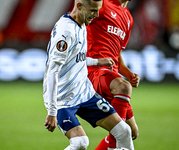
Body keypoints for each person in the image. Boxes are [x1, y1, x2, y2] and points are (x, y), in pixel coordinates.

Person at [43, 0, 135, 149]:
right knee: (80, 143)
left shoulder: (82, 24)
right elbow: (53, 71)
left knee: (124, 131)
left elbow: (75, 58)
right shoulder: (65, 32)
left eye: (98, 10)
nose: (97, 15)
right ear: (79, 6)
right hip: (63, 99)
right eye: (93, 10)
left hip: (84, 93)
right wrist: (52, 111)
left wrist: (97, 61)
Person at [86, 0, 140, 149]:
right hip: (94, 71)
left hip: (111, 77)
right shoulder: (102, 4)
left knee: (132, 131)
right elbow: (79, 22)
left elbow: (116, 53)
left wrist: (128, 73)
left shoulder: (128, 18)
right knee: (123, 87)